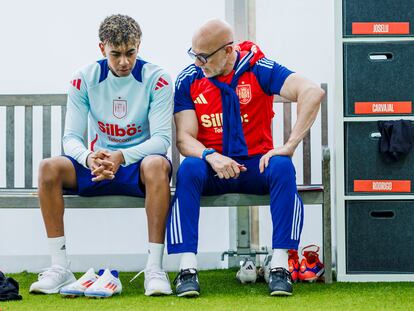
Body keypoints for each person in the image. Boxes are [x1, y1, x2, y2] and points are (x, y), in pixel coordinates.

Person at [167, 19, 325, 297]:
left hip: (255, 166)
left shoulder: (259, 68)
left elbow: (312, 91)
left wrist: (289, 145)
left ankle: (279, 266)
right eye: (193, 54)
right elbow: (184, 139)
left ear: (228, 51)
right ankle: (187, 269)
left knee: (282, 166)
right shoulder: (189, 78)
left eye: (204, 56)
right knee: (189, 168)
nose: (198, 62)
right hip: (213, 168)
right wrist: (210, 155)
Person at [29, 14, 174, 297]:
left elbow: (161, 140)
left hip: (136, 165)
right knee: (48, 167)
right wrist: (88, 158)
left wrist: (121, 156)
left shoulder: (157, 79)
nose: (124, 62)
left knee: (158, 164)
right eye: (115, 54)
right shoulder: (83, 79)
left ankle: (155, 268)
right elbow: (70, 138)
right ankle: (59, 267)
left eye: (130, 53)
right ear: (101, 49)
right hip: (95, 164)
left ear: (139, 46)